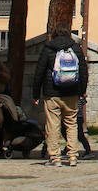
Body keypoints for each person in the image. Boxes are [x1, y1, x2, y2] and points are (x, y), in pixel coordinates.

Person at [32, 28, 89, 167]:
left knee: (53, 125)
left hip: (52, 93)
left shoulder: (48, 48)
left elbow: (39, 72)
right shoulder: (75, 48)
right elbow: (83, 71)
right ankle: (73, 156)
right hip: (72, 92)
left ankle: (55, 157)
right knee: (72, 124)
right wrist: (82, 91)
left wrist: (36, 94)